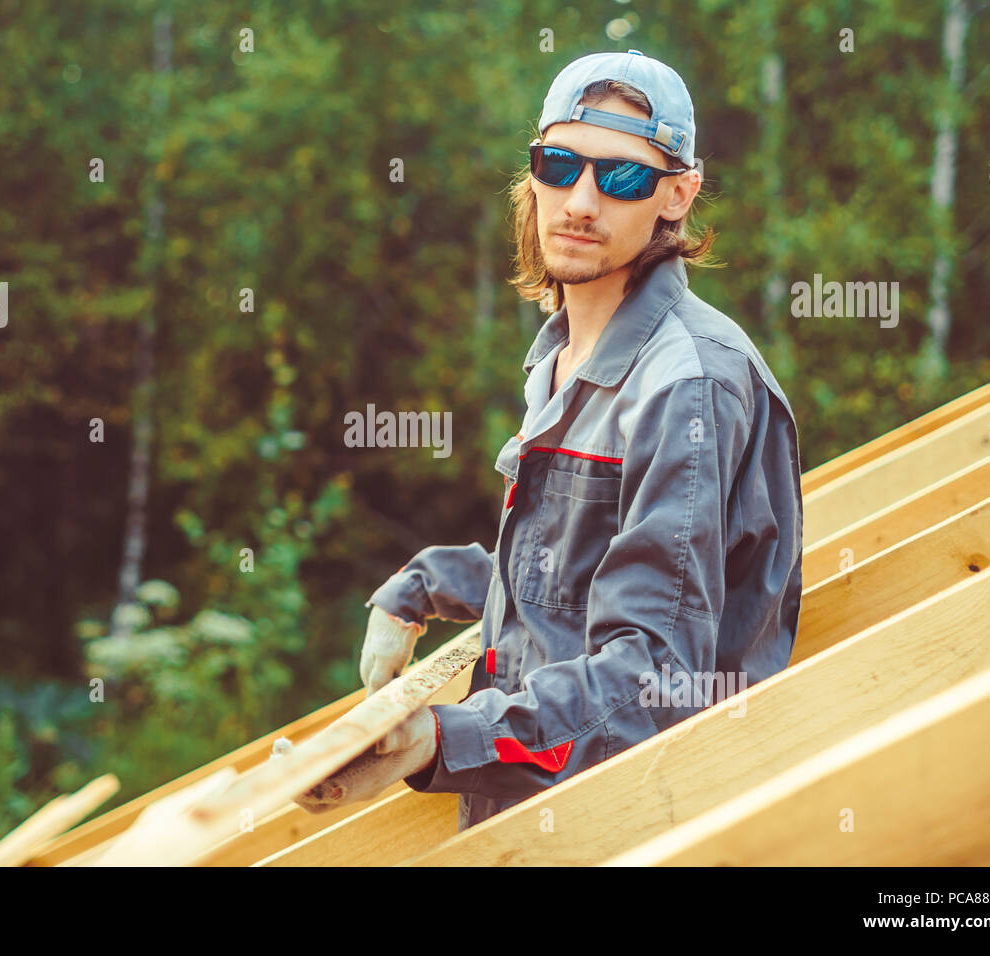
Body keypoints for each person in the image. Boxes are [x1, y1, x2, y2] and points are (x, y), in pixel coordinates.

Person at [292, 50, 803, 832]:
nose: (581, 201)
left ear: (677, 194)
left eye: (622, 177)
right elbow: (571, 574)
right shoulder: (569, 353)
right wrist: (424, 583)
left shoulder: (686, 384)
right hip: (525, 814)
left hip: (622, 822)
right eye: (559, 165)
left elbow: (653, 682)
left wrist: (432, 739)